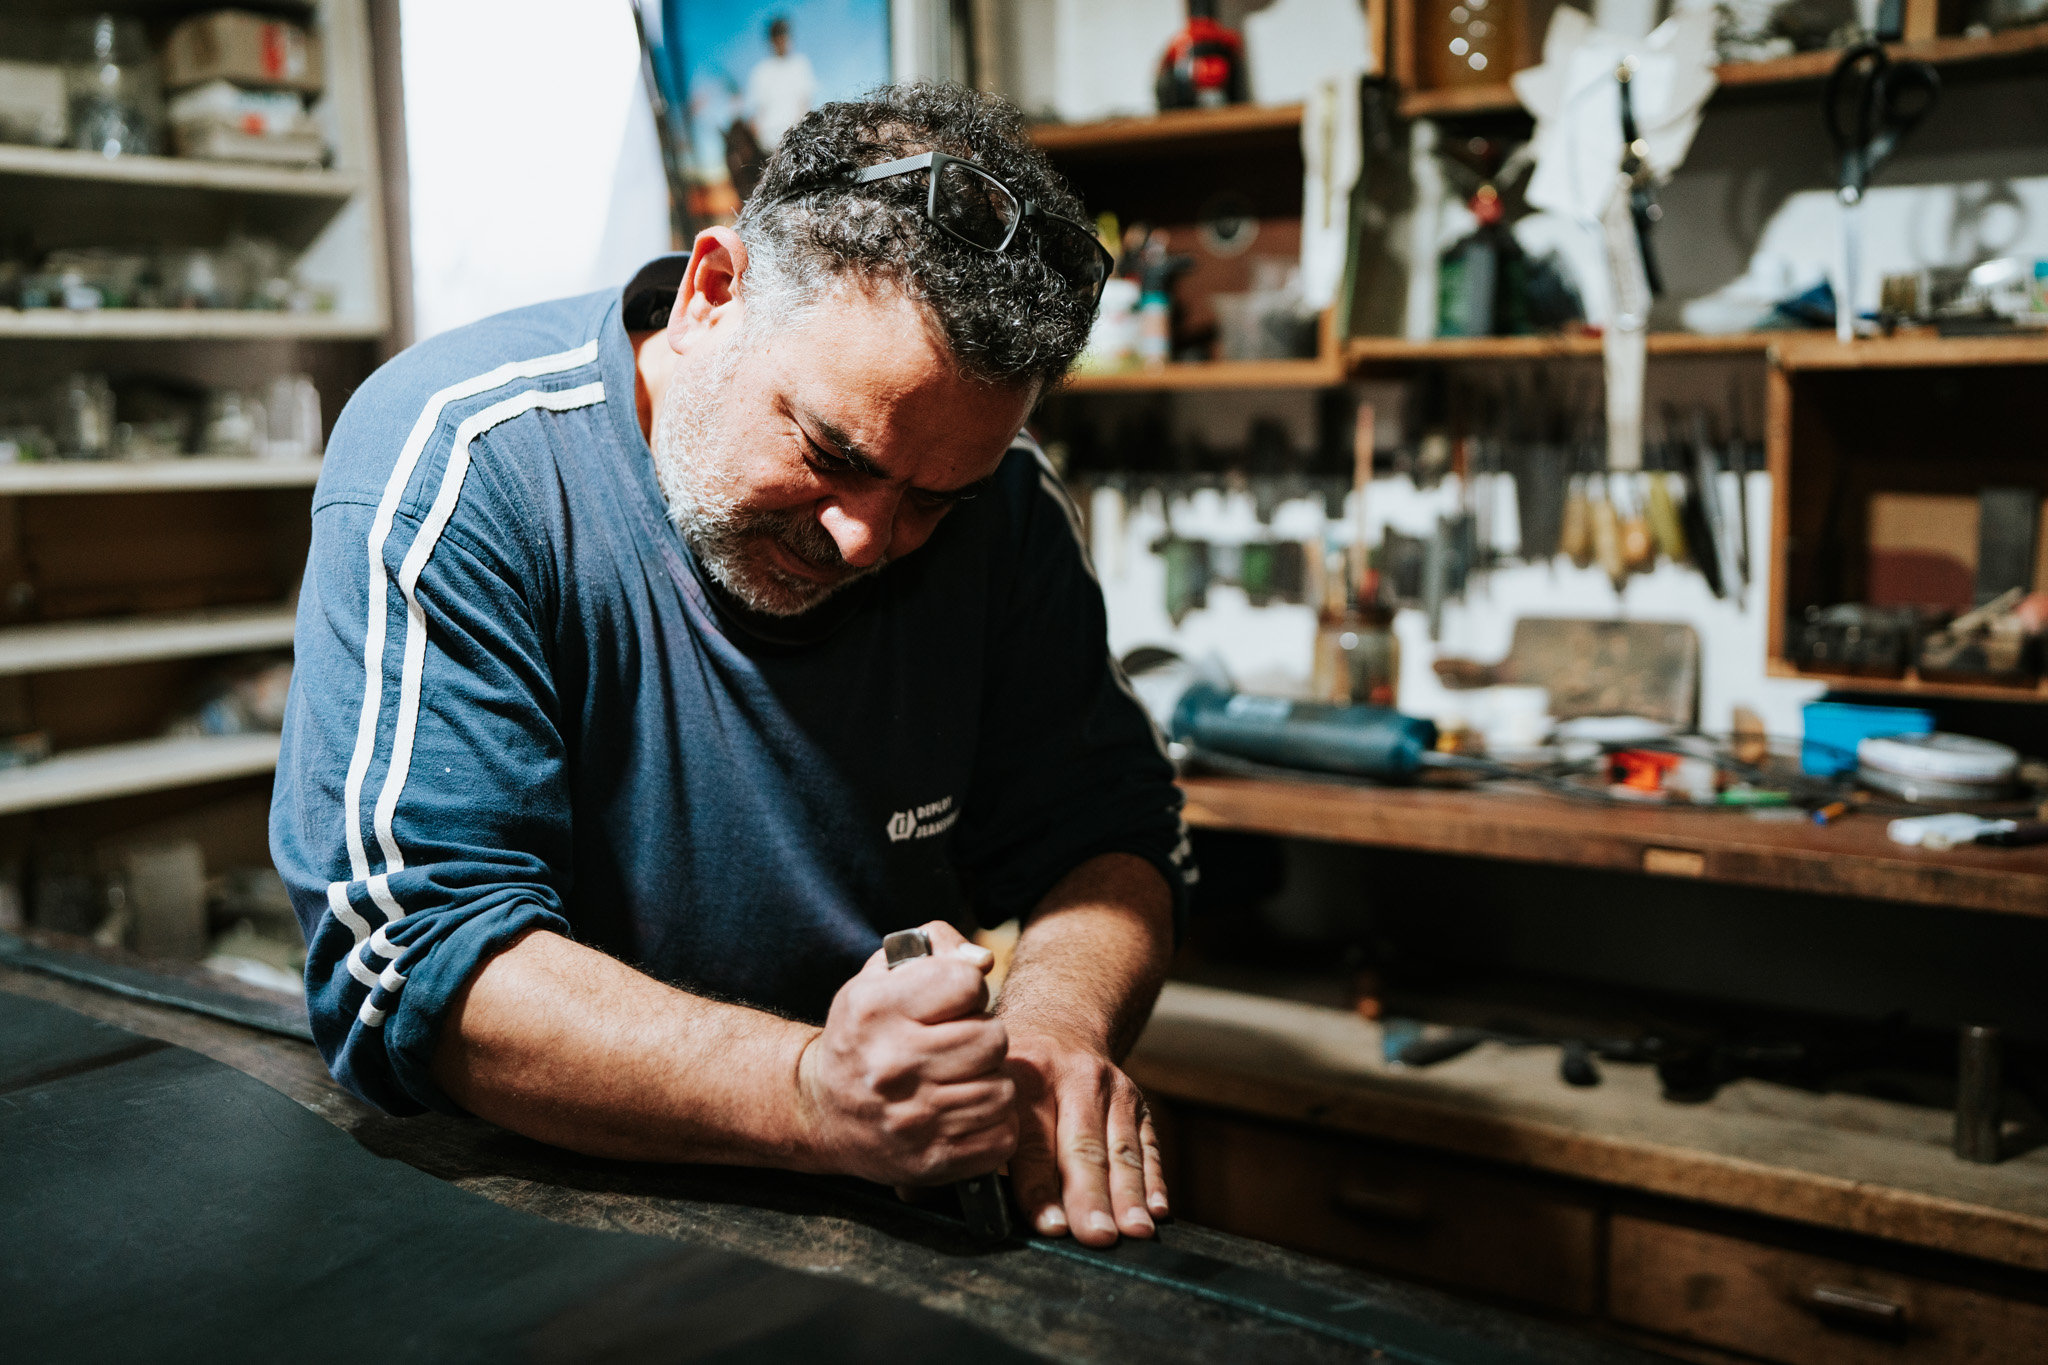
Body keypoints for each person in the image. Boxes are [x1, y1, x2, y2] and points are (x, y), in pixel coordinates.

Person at [271, 83, 1191, 1249]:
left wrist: (1053, 1025)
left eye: (932, 501)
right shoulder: (463, 462)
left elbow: (1109, 837)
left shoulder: (1003, 501)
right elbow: (415, 960)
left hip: (889, 1203)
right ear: (711, 293)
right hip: (526, 1208)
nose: (865, 538)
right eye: (832, 452)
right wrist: (810, 1093)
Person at [744, 15, 815, 151]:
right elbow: (755, 112)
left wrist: (797, 132)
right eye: (777, 38)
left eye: (784, 36)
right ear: (771, 41)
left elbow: (805, 102)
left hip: (797, 139)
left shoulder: (800, 64)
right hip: (767, 143)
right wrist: (759, 136)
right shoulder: (761, 71)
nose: (781, 41)